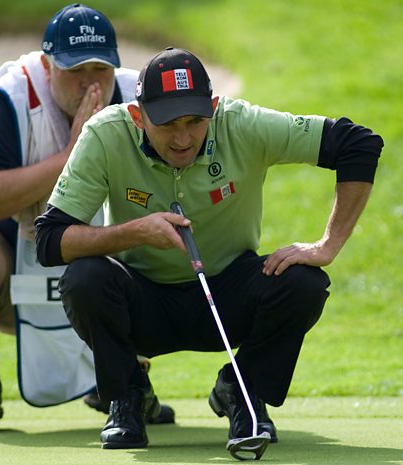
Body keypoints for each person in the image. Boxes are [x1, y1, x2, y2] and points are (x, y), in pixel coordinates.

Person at [34, 45, 383, 454]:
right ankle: (127, 396)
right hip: (142, 302)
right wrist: (135, 232)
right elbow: (50, 240)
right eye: (166, 124)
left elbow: (358, 144)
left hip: (228, 291)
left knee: (303, 282)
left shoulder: (242, 124)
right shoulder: (106, 134)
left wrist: (327, 246)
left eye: (195, 121)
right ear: (137, 115)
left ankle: (242, 390)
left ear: (213, 109)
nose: (183, 138)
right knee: (84, 278)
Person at [0, 4, 174, 434]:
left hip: (107, 276)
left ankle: (125, 382)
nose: (89, 82)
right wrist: (71, 155)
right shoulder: (13, 97)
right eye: (74, 69)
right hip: (17, 280)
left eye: (99, 68)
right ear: (46, 66)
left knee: (165, 234)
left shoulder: (136, 100)